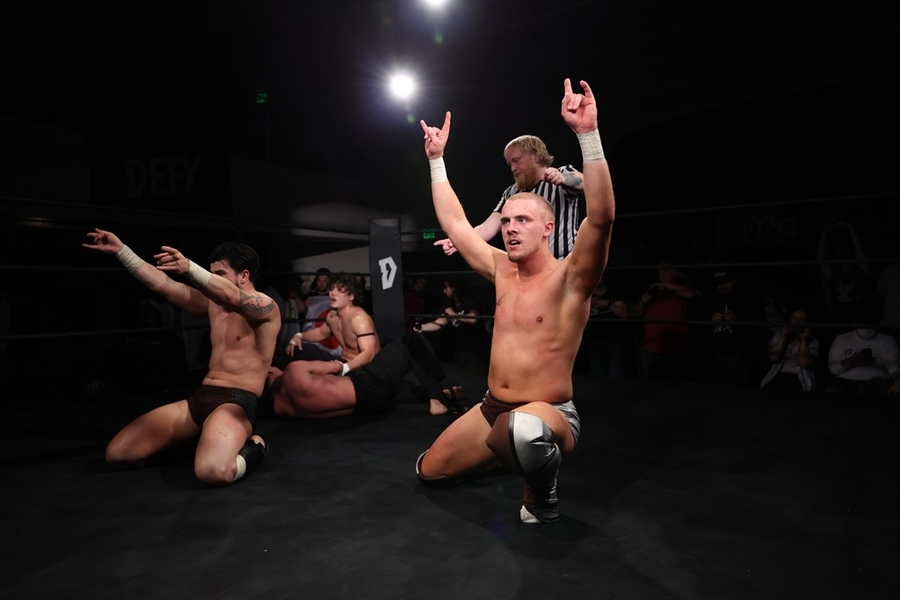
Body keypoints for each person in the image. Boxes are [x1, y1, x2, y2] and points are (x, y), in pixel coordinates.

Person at [415, 78, 614, 524]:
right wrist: (436, 161)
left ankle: (542, 496)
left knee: (522, 432)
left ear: (547, 229)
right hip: (492, 407)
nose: (510, 228)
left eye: (523, 220)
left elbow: (601, 219)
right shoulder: (501, 269)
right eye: (506, 221)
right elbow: (457, 224)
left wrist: (588, 135)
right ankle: (504, 455)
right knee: (429, 470)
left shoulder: (571, 278)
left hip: (548, 412)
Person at [83, 229, 280, 485]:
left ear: (244, 275)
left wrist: (189, 267)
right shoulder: (213, 305)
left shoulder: (266, 307)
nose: (211, 280)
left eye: (219, 274)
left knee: (214, 471)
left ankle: (257, 447)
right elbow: (163, 284)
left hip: (236, 403)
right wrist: (122, 251)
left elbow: (232, 296)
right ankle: (199, 443)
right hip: (202, 396)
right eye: (211, 273)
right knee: (119, 454)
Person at [433, 135, 584, 260]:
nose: (512, 168)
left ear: (536, 156)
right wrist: (459, 240)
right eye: (510, 163)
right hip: (527, 271)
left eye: (516, 160)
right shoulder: (511, 193)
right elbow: (487, 227)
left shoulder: (562, 174)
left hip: (563, 265)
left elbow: (584, 182)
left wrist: (563, 179)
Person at [266, 333, 464, 418]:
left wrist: (299, 335)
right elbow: (335, 367)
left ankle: (440, 393)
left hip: (364, 408)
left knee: (392, 388)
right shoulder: (293, 370)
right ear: (269, 372)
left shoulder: (280, 409)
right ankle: (437, 400)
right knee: (412, 341)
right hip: (366, 386)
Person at [284, 273, 381, 374]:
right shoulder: (332, 315)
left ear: (351, 296)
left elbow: (369, 353)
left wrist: (344, 368)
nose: (332, 293)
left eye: (339, 290)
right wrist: (299, 336)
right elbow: (321, 332)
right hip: (342, 362)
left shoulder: (359, 318)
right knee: (299, 350)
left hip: (362, 368)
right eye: (331, 289)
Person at [697, 269, 769, 386]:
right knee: (713, 390)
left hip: (737, 354)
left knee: (735, 390)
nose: (722, 286)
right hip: (711, 353)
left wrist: (737, 319)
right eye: (719, 283)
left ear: (734, 280)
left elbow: (759, 321)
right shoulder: (709, 299)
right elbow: (698, 317)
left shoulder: (747, 299)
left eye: (725, 282)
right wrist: (710, 318)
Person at [633, 258, 696, 381]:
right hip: (651, 347)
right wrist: (642, 302)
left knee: (675, 385)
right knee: (650, 385)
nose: (662, 274)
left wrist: (664, 285)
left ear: (674, 272)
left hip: (674, 349)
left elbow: (690, 294)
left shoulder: (682, 288)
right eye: (659, 271)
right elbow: (638, 313)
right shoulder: (653, 291)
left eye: (665, 271)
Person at [822, 303, 900, 396]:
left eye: (870, 323)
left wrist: (897, 381)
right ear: (855, 322)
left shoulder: (887, 340)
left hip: (877, 383)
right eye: (863, 322)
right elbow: (833, 369)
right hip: (845, 382)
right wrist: (855, 358)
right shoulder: (841, 339)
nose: (866, 328)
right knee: (830, 391)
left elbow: (894, 366)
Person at [414, 277, 491, 366]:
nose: (444, 290)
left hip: (477, 350)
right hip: (463, 350)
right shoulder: (451, 304)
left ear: (454, 287)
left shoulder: (469, 301)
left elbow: (473, 318)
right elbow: (441, 321)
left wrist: (453, 314)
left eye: (446, 287)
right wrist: (423, 327)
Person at [759, 308, 819, 392]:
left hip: (799, 380)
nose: (797, 322)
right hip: (778, 376)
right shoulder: (778, 336)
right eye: (794, 318)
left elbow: (804, 362)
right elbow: (773, 357)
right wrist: (783, 337)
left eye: (802, 320)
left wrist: (803, 340)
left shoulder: (812, 342)